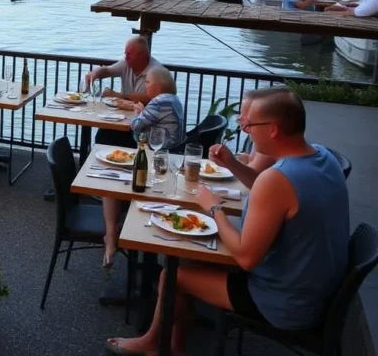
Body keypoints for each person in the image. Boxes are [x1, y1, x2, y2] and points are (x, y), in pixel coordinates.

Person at [106, 87, 349, 354]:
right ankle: (175, 346)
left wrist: (214, 209)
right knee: (189, 257)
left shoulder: (278, 179)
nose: (246, 131)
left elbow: (246, 258)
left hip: (284, 302)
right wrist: (232, 167)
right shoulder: (324, 158)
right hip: (315, 291)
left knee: (173, 274)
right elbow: (272, 195)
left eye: (250, 126)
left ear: (274, 129)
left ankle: (152, 343)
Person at [102, 67, 185, 269]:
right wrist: (140, 111)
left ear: (157, 85)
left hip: (157, 159)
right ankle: (118, 233)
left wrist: (139, 112)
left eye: (147, 83)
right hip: (171, 157)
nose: (145, 85)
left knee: (110, 182)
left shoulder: (160, 101)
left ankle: (111, 234)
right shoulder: (172, 100)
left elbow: (136, 125)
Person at [85, 36, 160, 105]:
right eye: (125, 54)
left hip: (147, 115)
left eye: (129, 54)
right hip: (125, 112)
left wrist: (120, 96)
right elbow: (108, 70)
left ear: (142, 54)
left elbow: (152, 98)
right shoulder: (126, 63)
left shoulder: (156, 71)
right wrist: (95, 74)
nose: (126, 57)